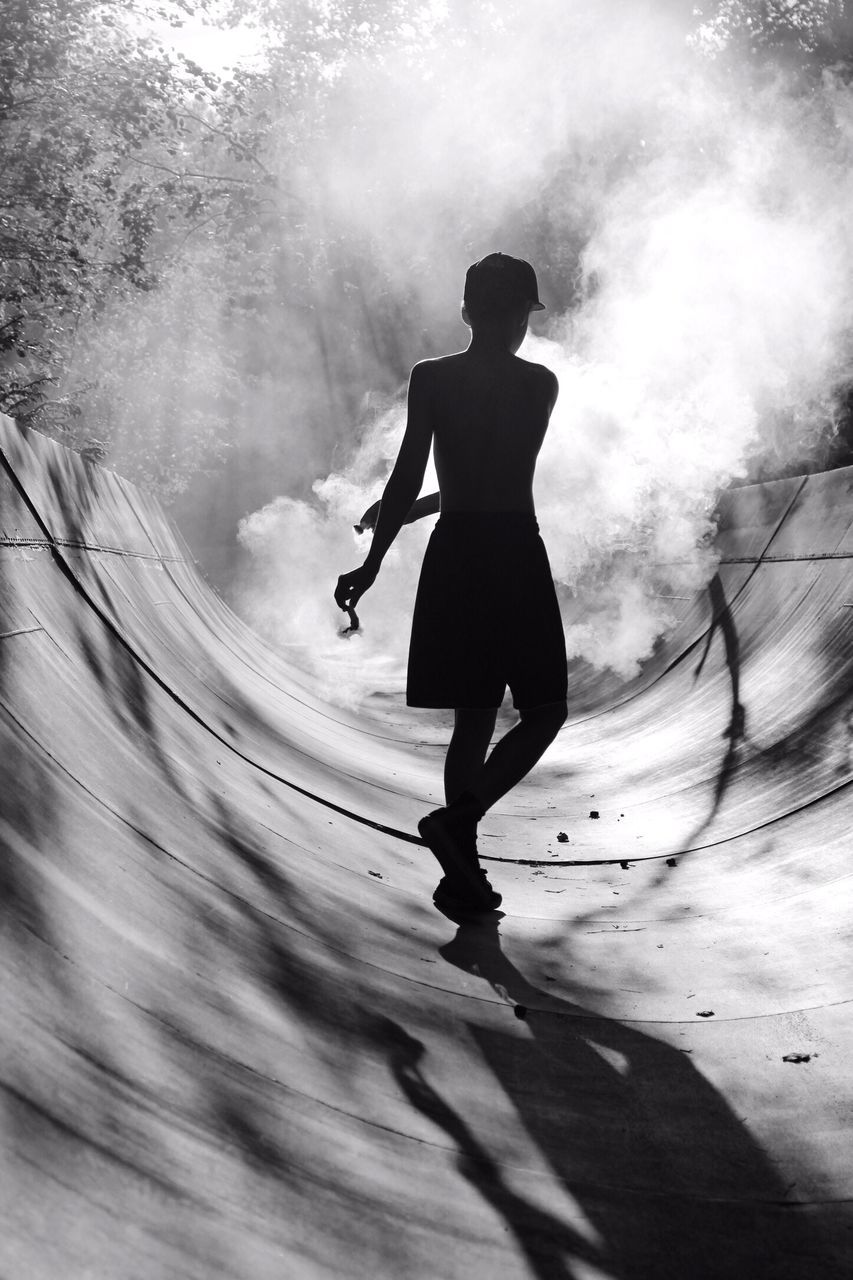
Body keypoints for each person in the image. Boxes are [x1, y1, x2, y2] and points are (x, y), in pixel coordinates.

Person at [335, 252, 568, 913]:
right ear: (521, 316)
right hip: (514, 550)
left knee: (472, 720)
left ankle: (458, 862)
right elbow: (500, 471)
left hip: (457, 553)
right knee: (543, 710)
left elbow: (415, 472)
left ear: (466, 313)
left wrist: (375, 559)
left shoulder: (432, 378)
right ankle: (459, 831)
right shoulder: (539, 385)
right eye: (522, 314)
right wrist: (408, 511)